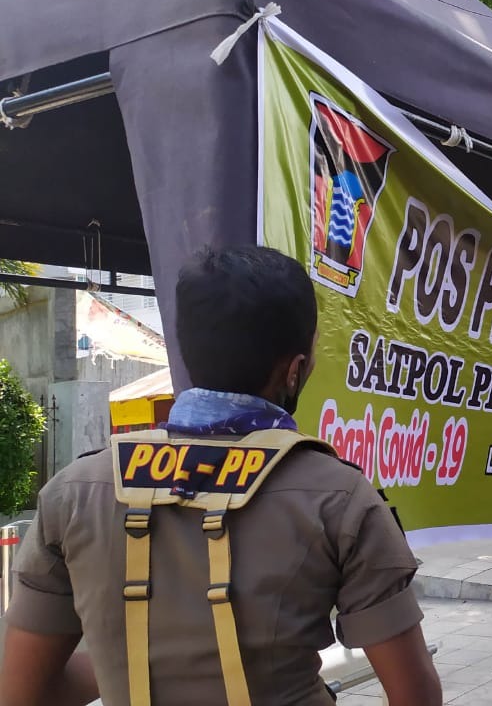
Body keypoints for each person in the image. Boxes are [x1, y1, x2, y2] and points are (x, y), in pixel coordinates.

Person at [0, 245, 442, 706]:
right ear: (294, 371)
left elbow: (21, 692)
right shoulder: (341, 497)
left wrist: (138, 659)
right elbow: (415, 694)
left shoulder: (73, 493)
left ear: (191, 352)